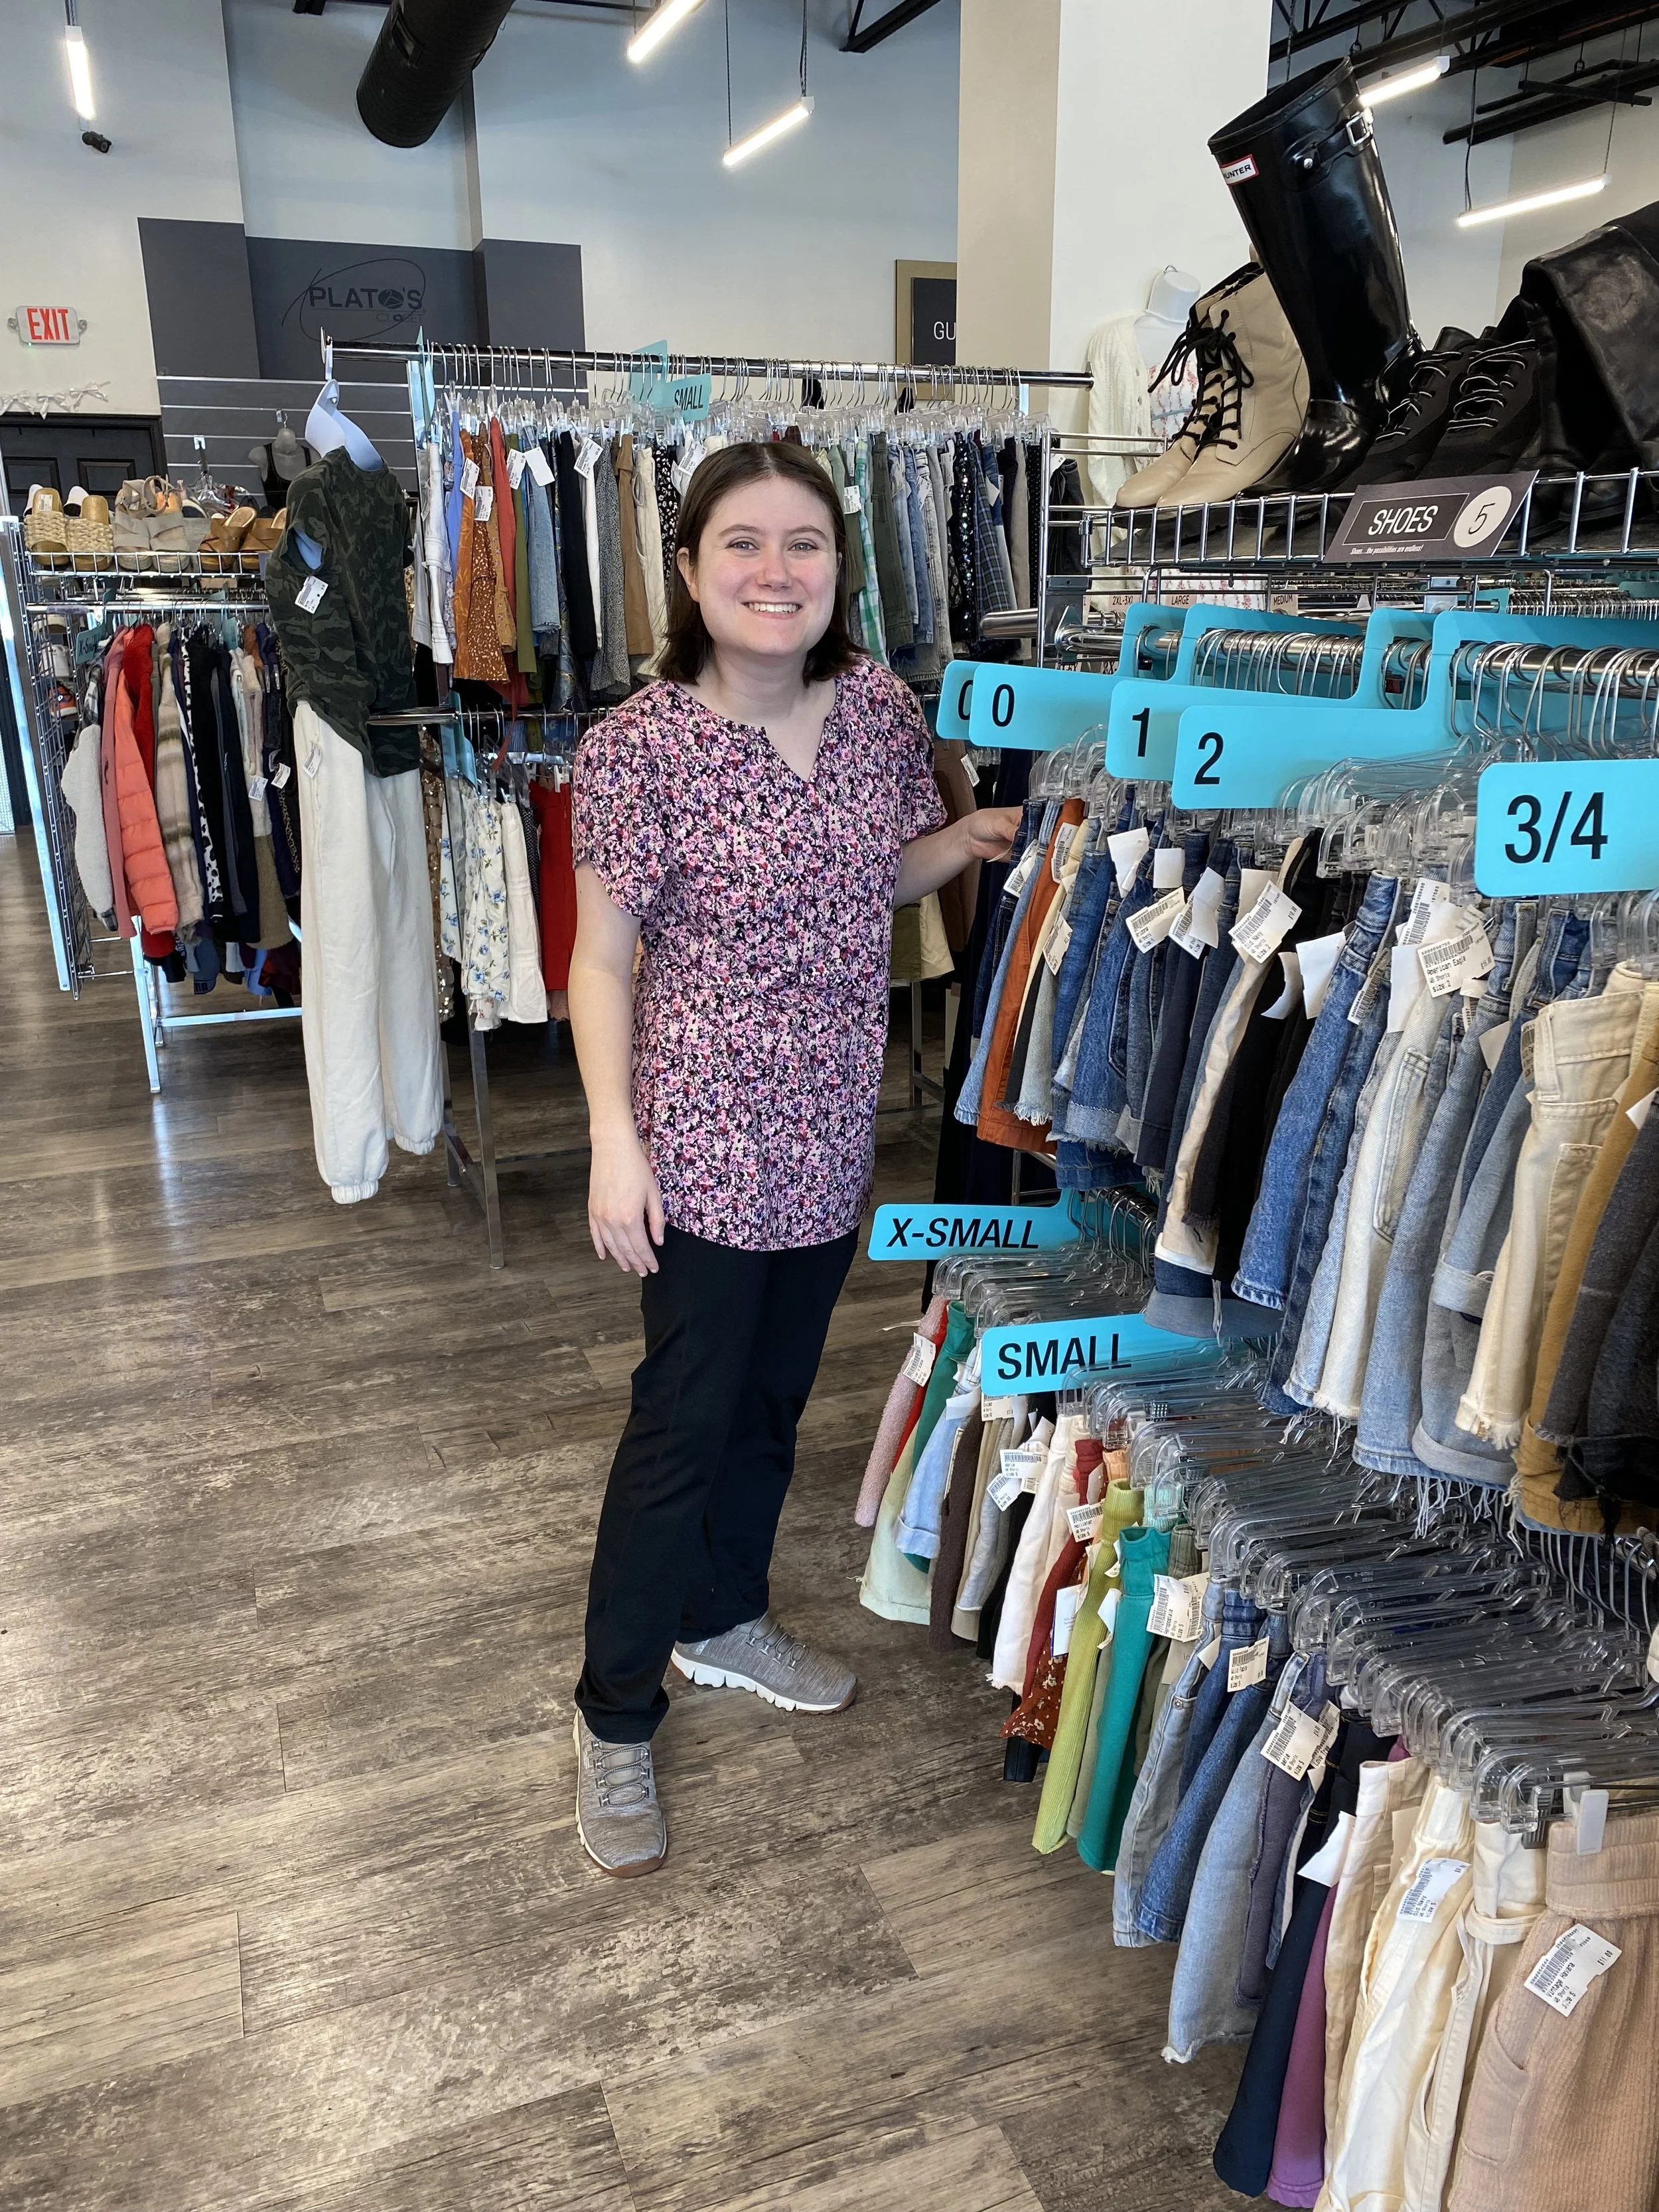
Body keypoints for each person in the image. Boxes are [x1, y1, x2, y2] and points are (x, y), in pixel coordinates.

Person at [565, 439, 1019, 1875]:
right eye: (744, 545)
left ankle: (724, 1617)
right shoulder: (635, 748)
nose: (777, 572)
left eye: (806, 543)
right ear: (689, 570)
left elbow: (860, 879)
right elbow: (602, 962)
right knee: (678, 1423)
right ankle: (614, 1713)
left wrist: (963, 843)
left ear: (839, 566)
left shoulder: (880, 708)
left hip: (828, 1134)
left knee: (771, 1403)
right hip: (696, 1140)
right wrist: (610, 1144)